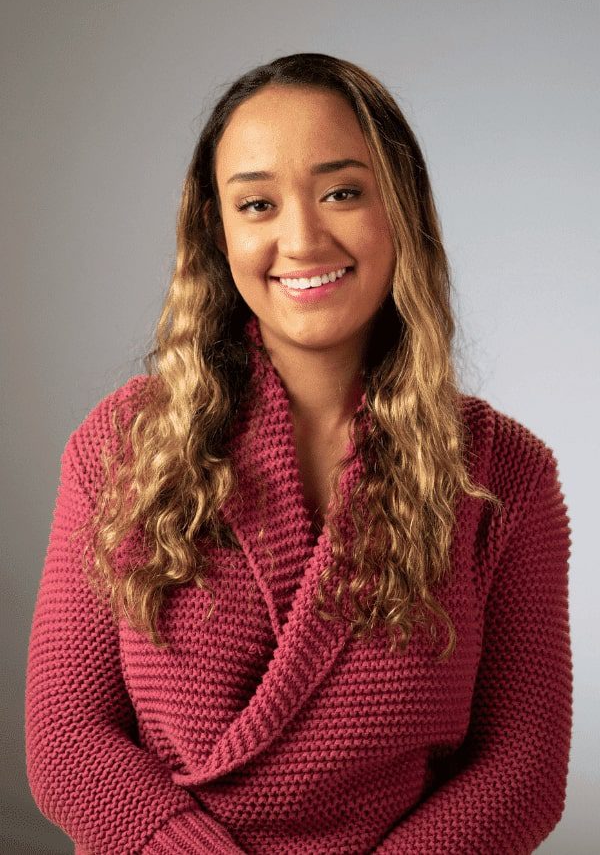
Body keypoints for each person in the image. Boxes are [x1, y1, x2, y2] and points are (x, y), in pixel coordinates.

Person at [25, 52, 573, 854]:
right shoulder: (119, 448)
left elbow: (523, 771)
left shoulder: (506, 476)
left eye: (343, 193)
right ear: (218, 231)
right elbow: (66, 739)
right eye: (257, 204)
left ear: (401, 211)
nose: (303, 238)